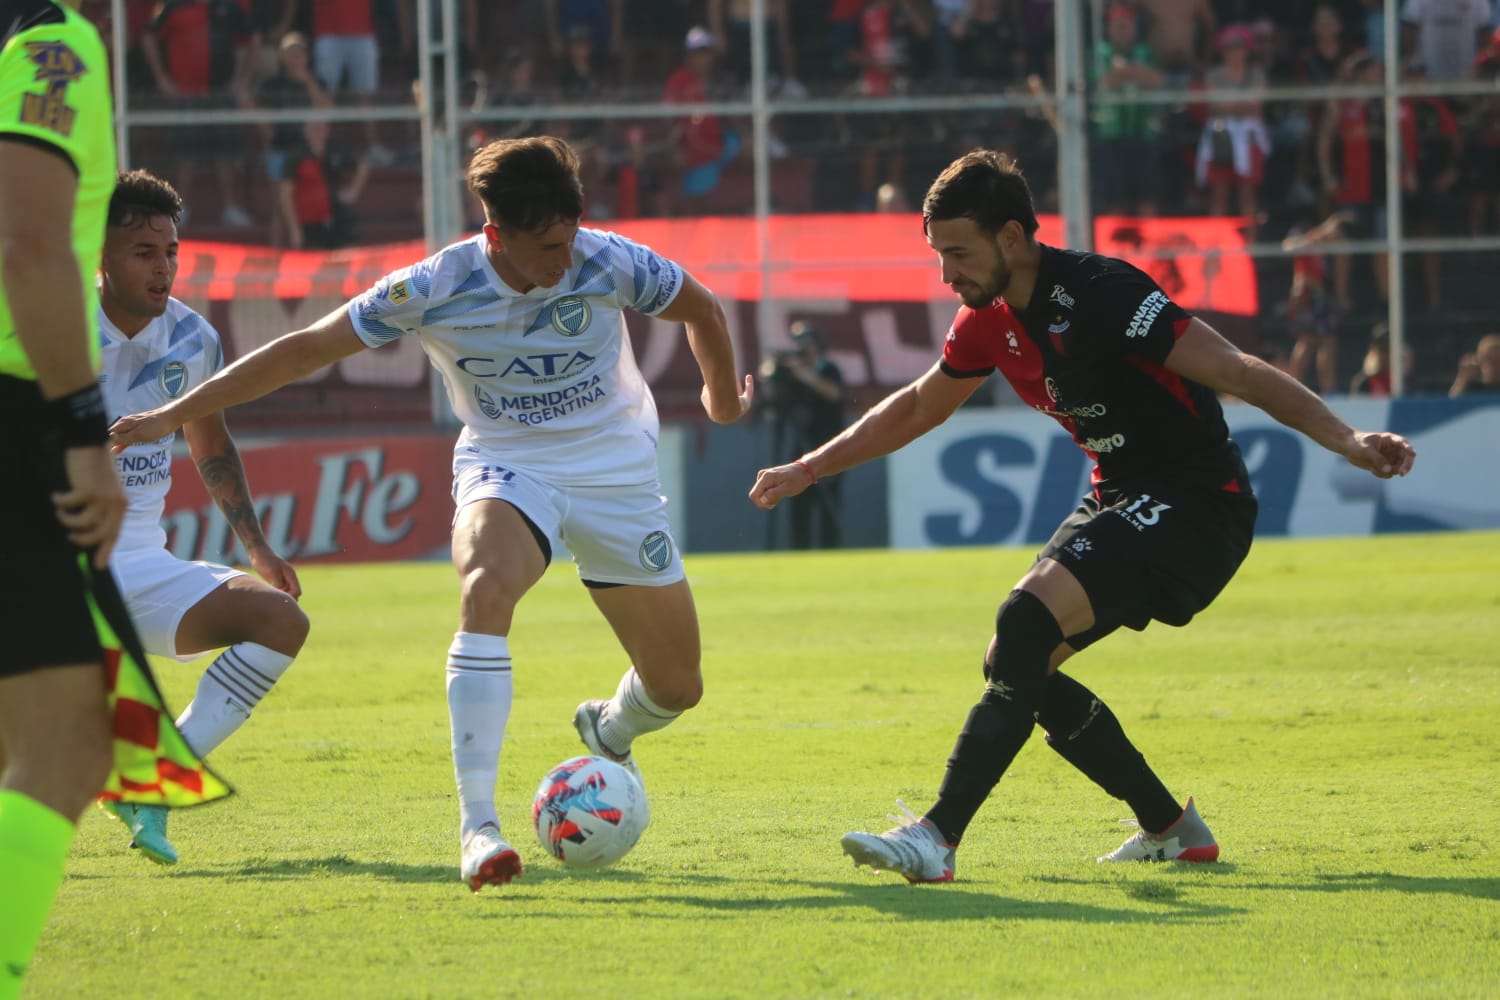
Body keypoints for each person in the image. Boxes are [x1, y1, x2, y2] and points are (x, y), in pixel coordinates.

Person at [748, 150, 1416, 883]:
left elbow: (1236, 371)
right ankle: (1172, 827)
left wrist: (1347, 440)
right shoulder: (985, 321)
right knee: (1015, 662)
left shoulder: (1103, 292)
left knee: (1024, 623)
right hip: (1124, 497)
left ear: (1011, 238)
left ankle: (936, 838)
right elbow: (916, 407)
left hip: (1199, 503)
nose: (947, 275)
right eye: (938, 255)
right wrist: (809, 467)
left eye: (958, 253)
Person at [110, 135, 755, 892]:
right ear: (494, 236)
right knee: (484, 587)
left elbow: (701, 308)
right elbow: (303, 350)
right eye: (546, 245)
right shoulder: (434, 286)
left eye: (570, 238)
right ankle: (478, 829)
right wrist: (171, 414)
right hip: (509, 463)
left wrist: (720, 404)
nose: (563, 259)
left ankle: (610, 729)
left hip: (617, 473)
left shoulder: (606, 259)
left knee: (677, 685)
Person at [96, 169, 308, 866]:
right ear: (99, 256)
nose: (162, 269)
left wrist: (256, 547)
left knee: (281, 620)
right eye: (143, 253)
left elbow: (211, 443)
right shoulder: (41, 331)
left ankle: (153, 783)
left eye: (171, 253)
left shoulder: (194, 339)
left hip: (136, 561)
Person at [0, 2, 121, 992]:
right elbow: (31, 248)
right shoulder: (47, 41)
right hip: (12, 409)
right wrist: (84, 432)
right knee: (68, 739)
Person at [757, 322, 846, 550]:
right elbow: (772, 391)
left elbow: (835, 394)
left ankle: (830, 551)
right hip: (801, 448)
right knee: (799, 506)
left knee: (828, 506)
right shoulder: (794, 374)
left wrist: (804, 375)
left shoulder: (829, 370)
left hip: (830, 446)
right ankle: (800, 551)